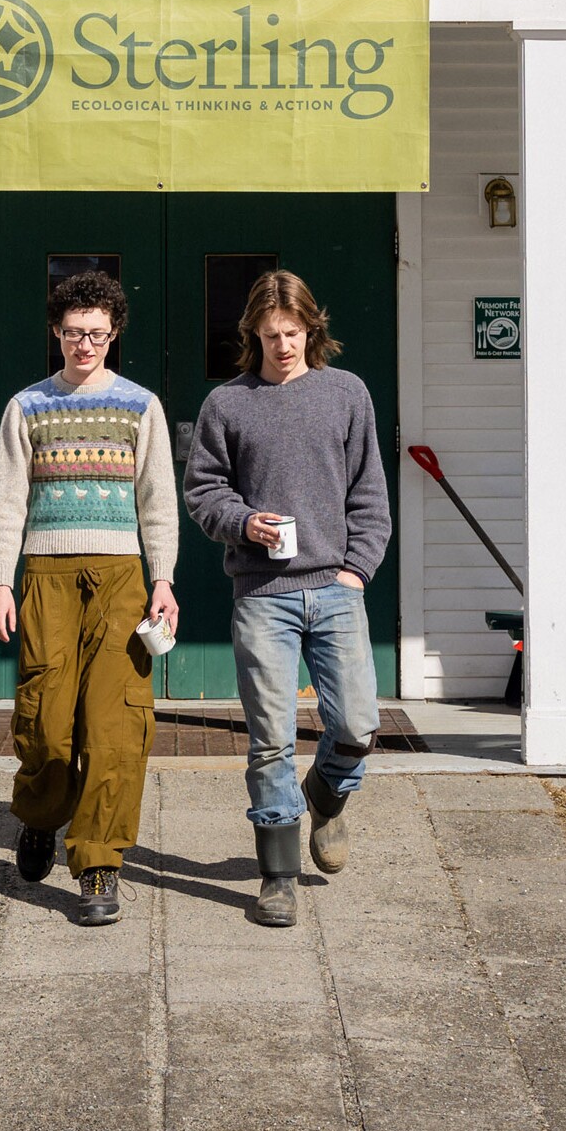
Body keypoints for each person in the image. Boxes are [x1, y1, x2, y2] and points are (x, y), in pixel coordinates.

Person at [182, 269, 390, 928]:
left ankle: (324, 803)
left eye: (293, 333)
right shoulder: (228, 405)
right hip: (262, 596)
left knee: (356, 728)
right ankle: (278, 877)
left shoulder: (347, 395)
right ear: (253, 335)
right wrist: (244, 523)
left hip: (335, 588)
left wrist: (356, 570)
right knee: (270, 738)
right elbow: (204, 494)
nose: (283, 346)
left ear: (312, 330)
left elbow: (370, 495)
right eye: (270, 336)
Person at [0, 268, 179, 926]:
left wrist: (163, 579)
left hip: (123, 578)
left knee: (114, 726)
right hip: (46, 576)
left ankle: (99, 866)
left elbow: (157, 502)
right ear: (57, 332)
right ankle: (42, 816)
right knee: (44, 720)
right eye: (73, 333)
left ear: (114, 331)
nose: (84, 345)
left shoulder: (139, 405)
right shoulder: (27, 406)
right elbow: (9, 500)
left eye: (96, 333)